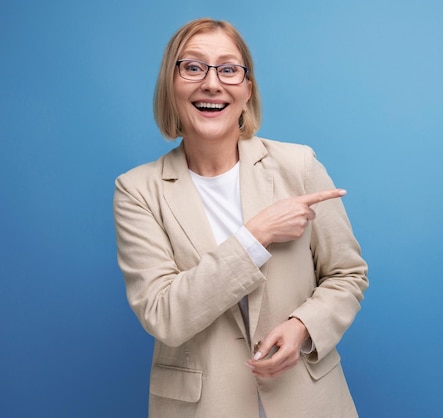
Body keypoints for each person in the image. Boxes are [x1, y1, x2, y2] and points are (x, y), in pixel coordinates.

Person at [113, 17, 368, 418]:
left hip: (308, 400)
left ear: (247, 90)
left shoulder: (297, 166)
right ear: (171, 86)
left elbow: (347, 275)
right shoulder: (138, 190)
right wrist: (255, 236)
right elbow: (164, 315)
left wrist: (304, 326)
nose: (212, 83)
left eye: (229, 69)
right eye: (193, 67)